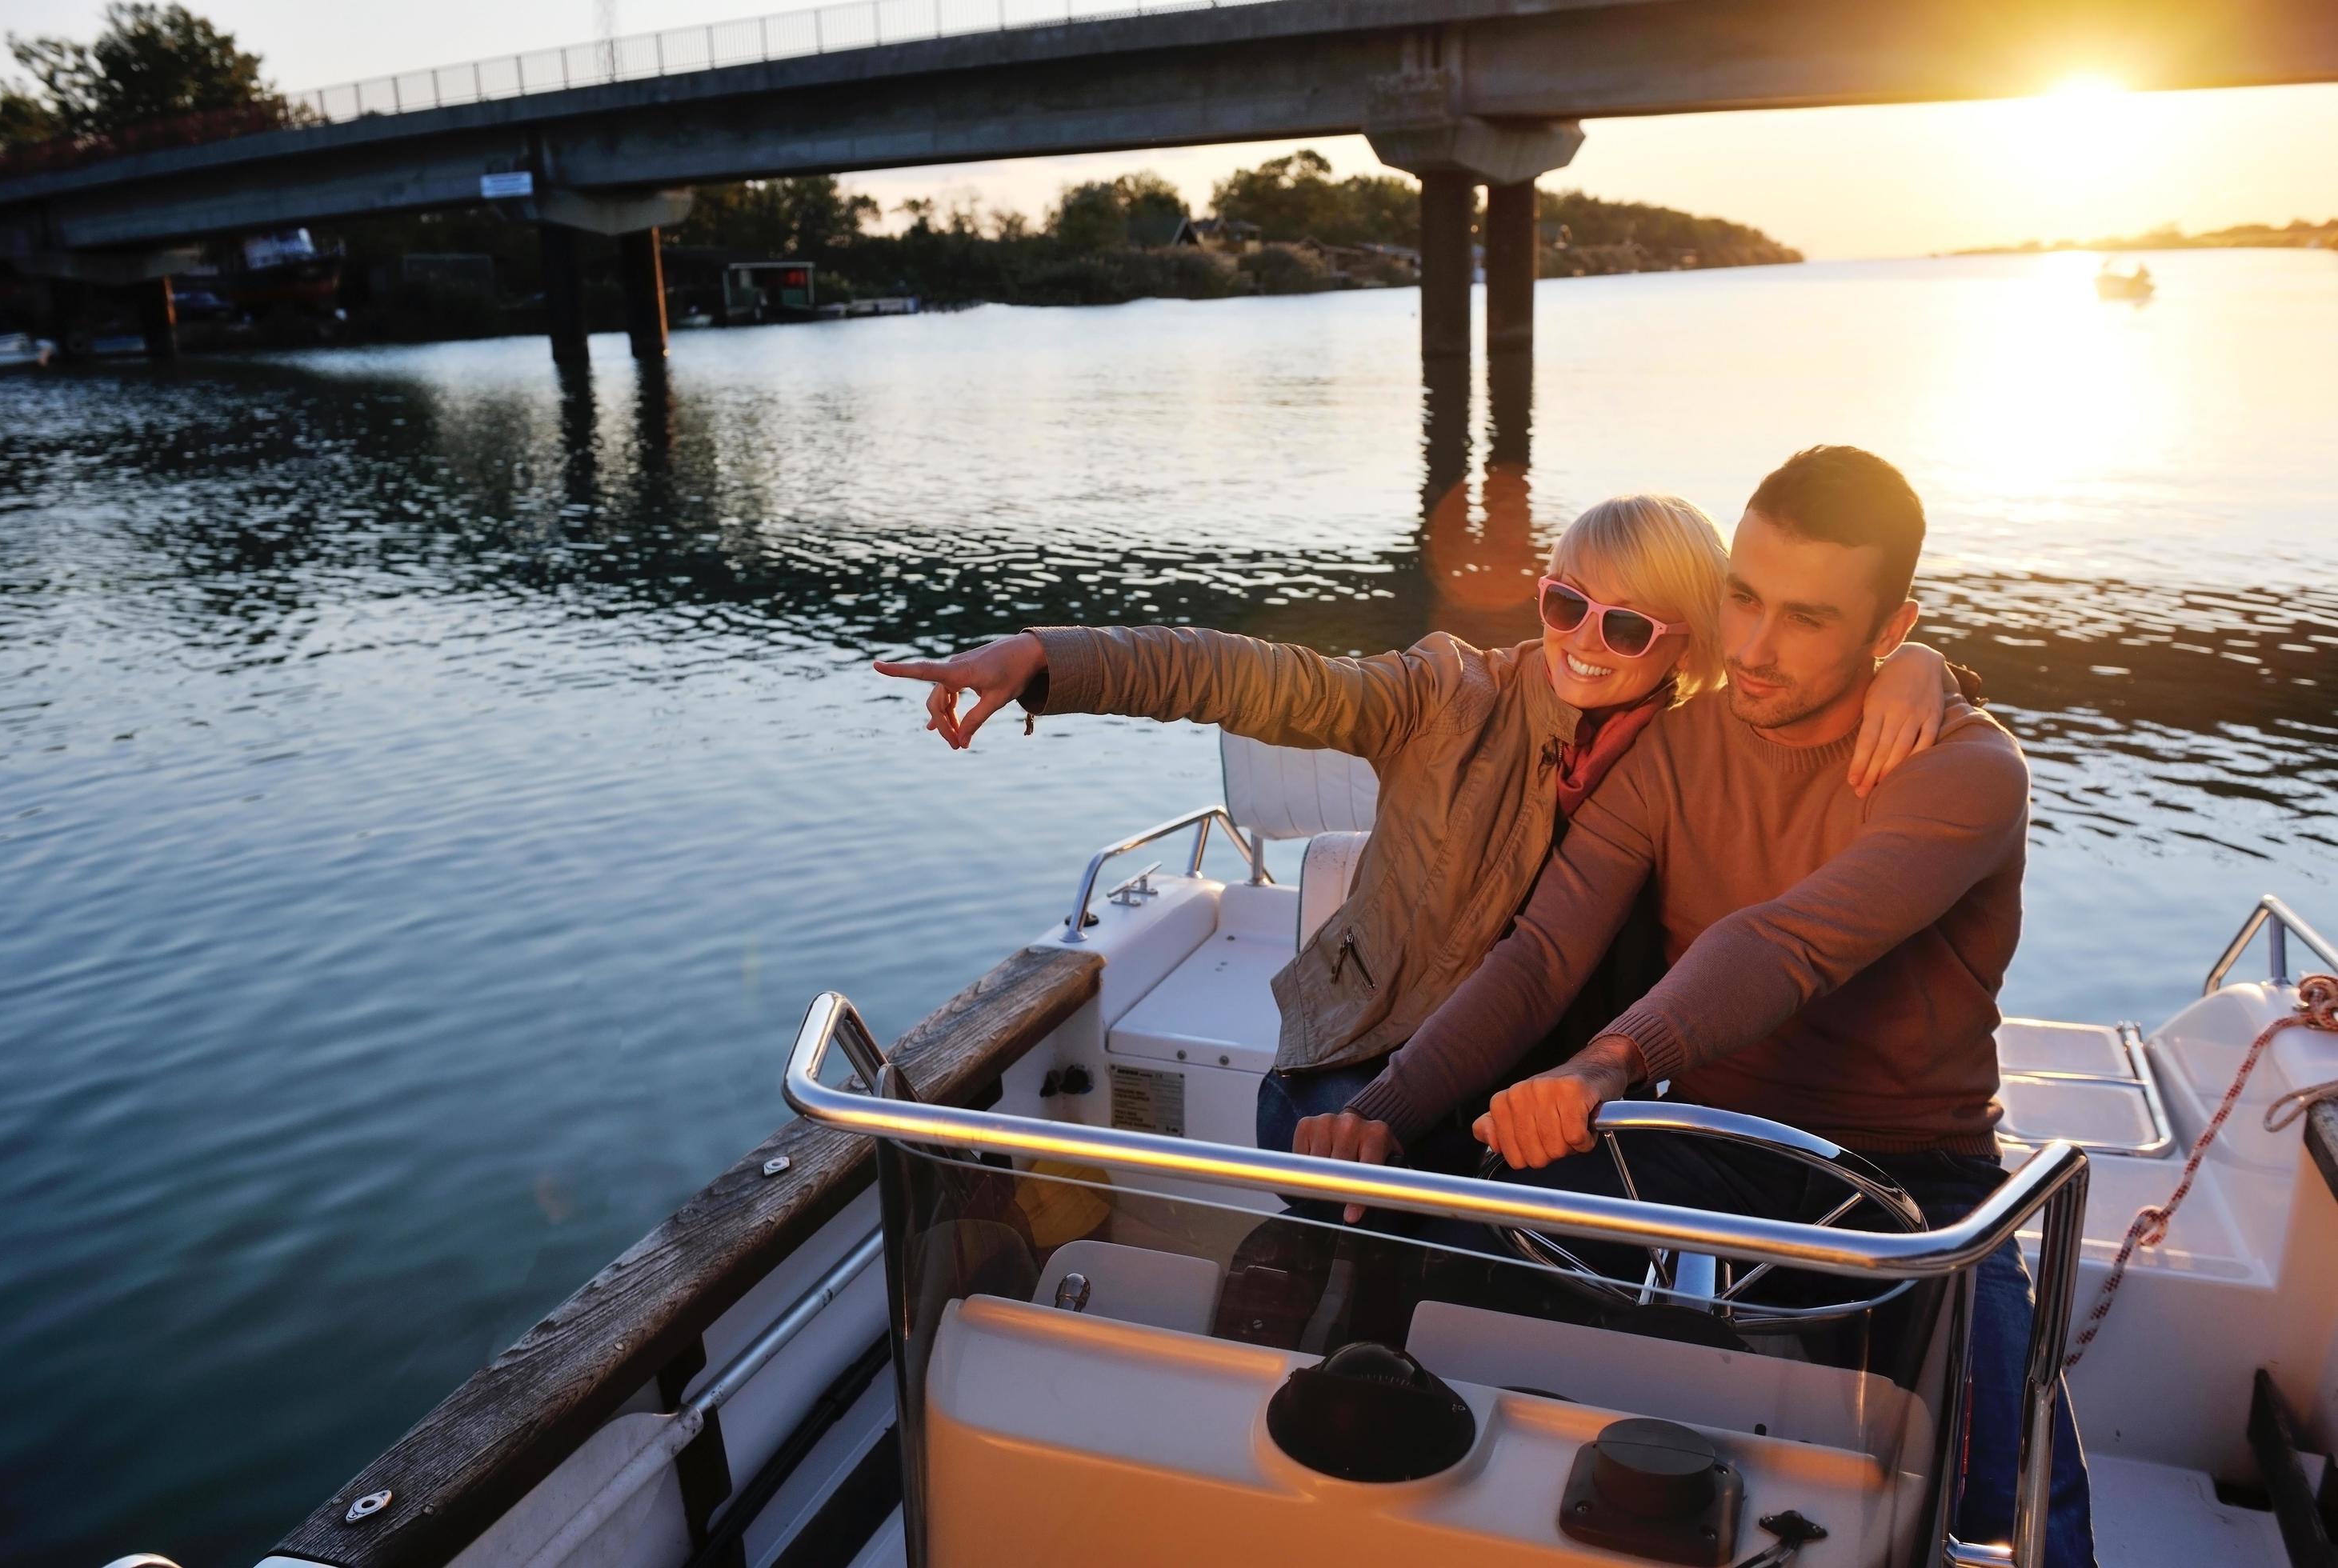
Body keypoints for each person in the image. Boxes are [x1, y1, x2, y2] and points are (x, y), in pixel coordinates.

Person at [1297, 446, 2092, 1566]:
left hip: (1915, 1174)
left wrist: (1609, 1061)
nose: (1757, 648)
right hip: (1692, 1143)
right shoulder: (1672, 747)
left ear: (1892, 629)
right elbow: (1539, 956)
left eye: (1809, 618)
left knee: (2014, 1494)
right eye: (1743, 599)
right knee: (1442, 1295)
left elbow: (1789, 942)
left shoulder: (1964, 769)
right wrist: (1385, 1105)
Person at [875, 493, 1971, 1166]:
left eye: (1627, 624)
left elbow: (1817, 664)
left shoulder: (1705, 747)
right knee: (1344, 1263)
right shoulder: (1448, 694)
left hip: (1549, 1089)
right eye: (1563, 604)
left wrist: (1919, 670)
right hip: (1366, 1053)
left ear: (1690, 649)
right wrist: (1046, 660)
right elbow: (1243, 675)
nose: (1584, 641)